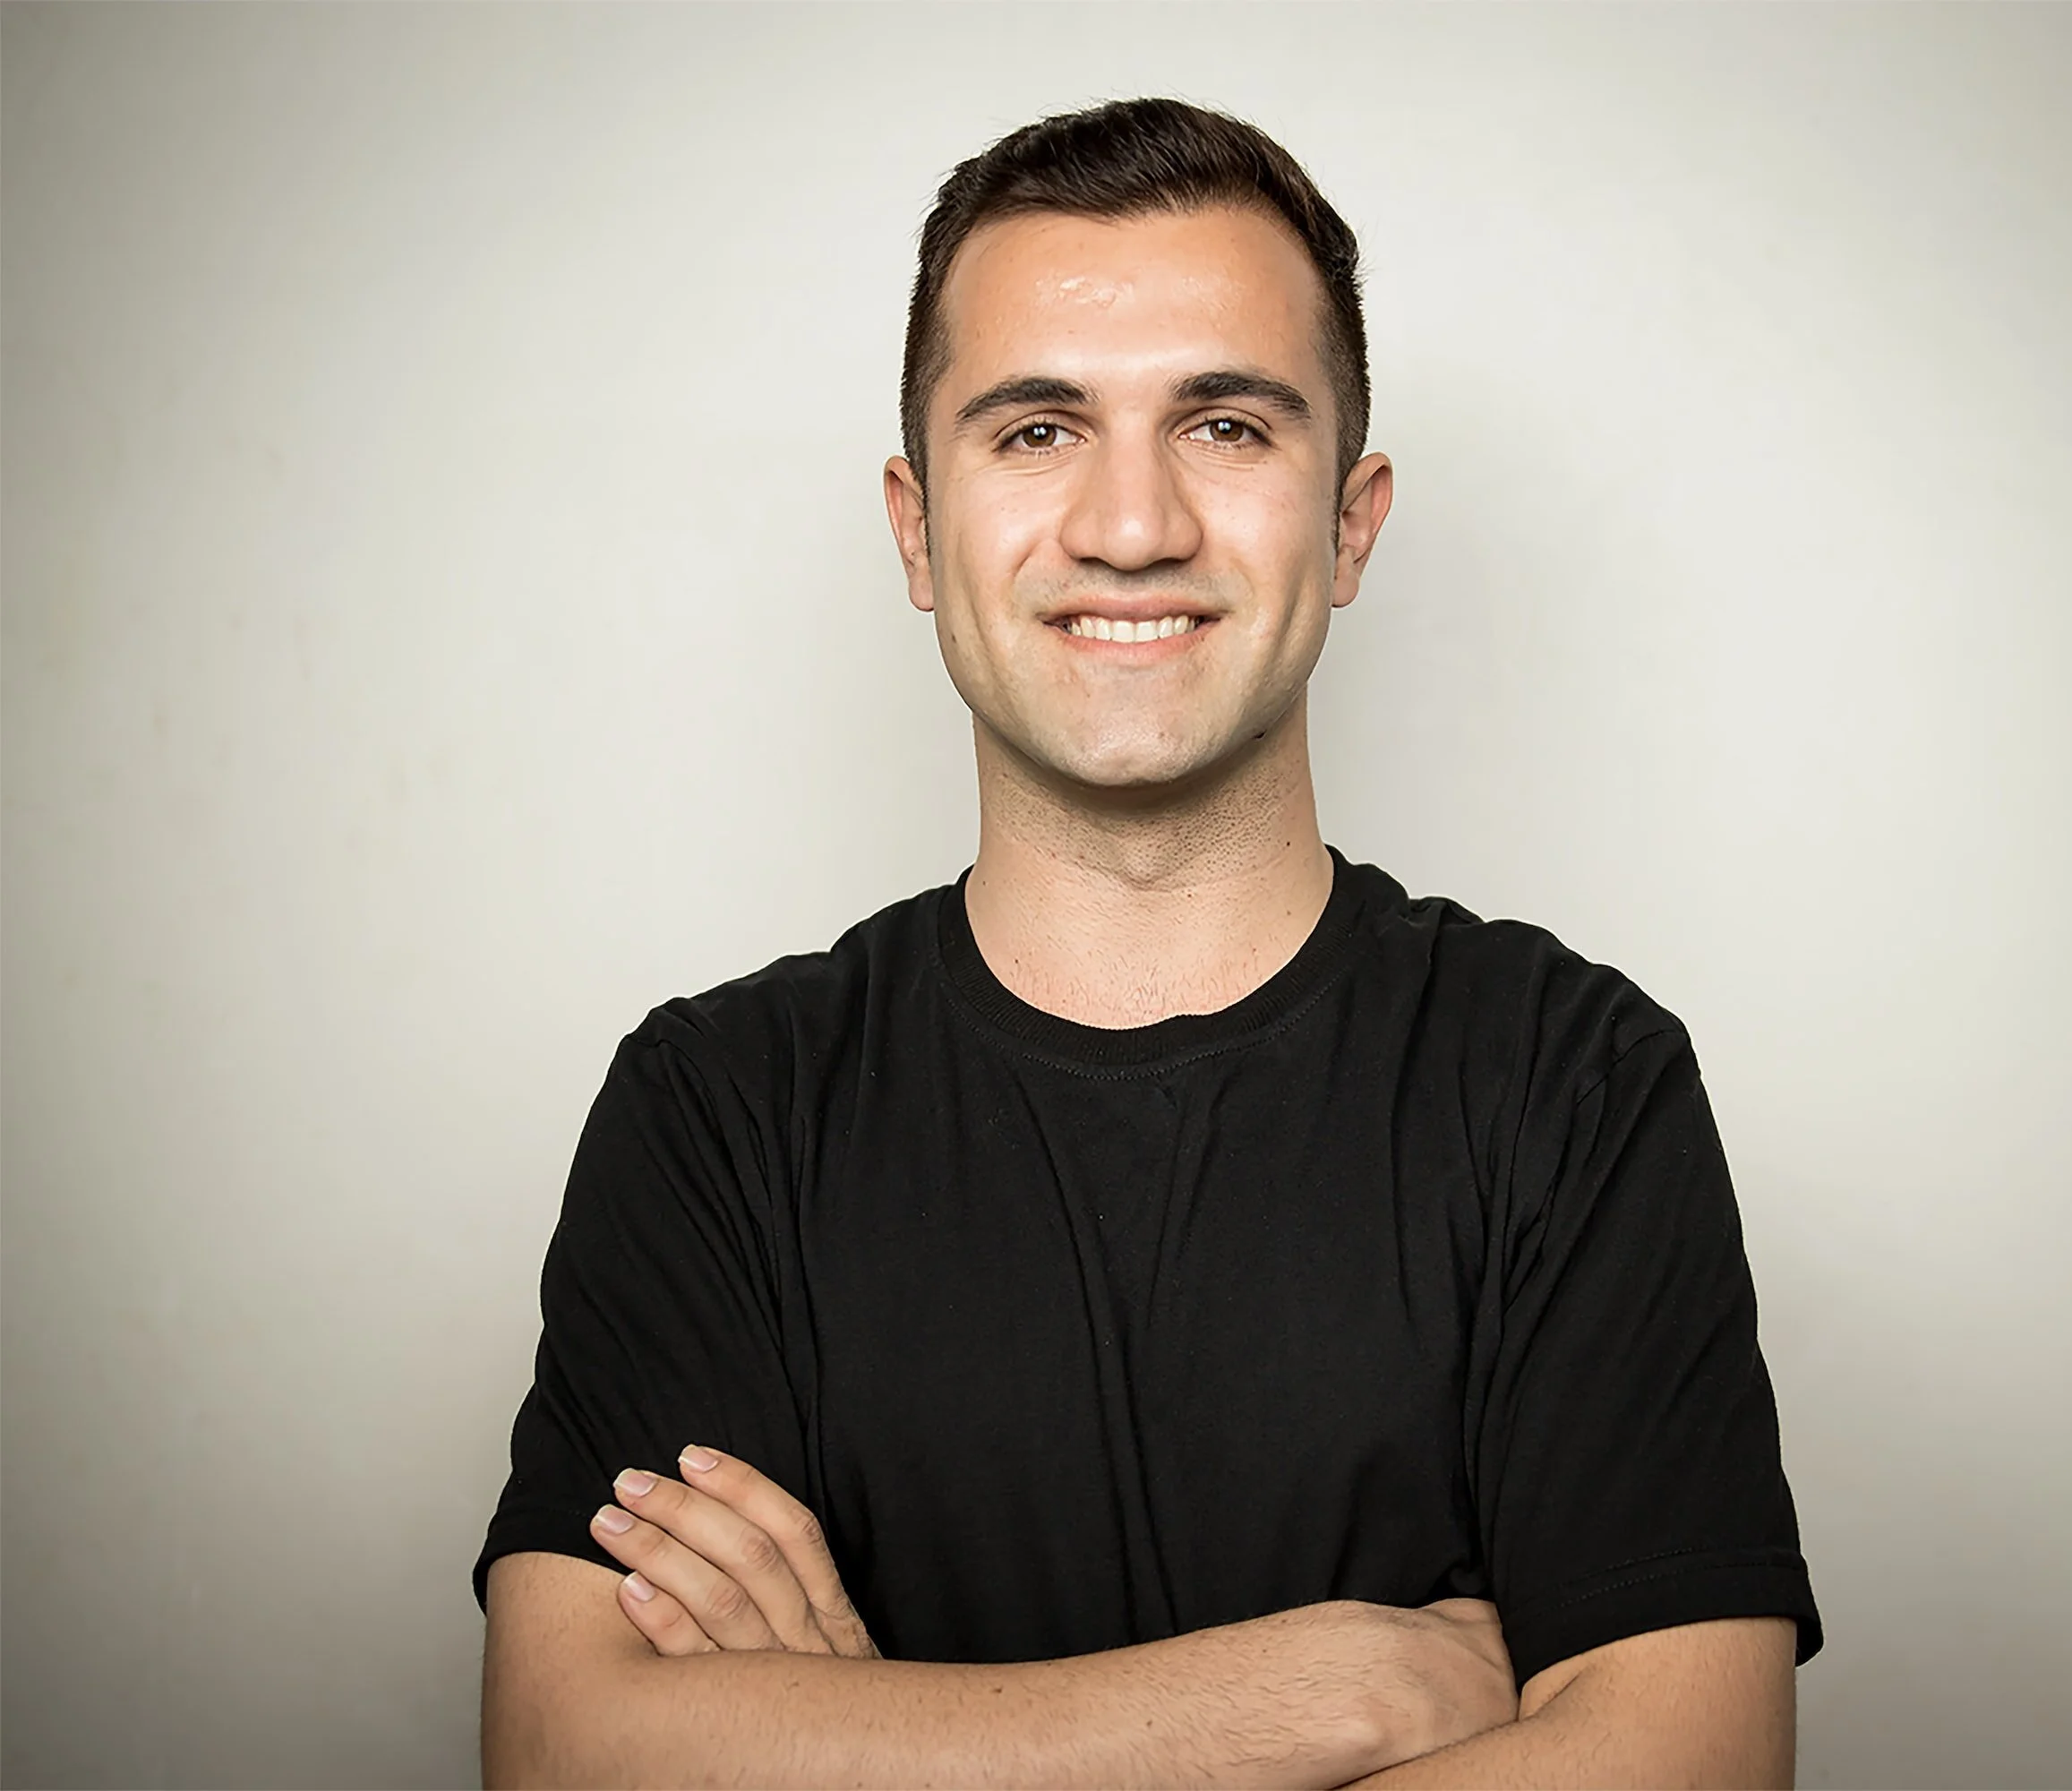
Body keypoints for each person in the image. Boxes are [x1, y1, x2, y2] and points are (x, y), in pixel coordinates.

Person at [475, 97, 1821, 1788]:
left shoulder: (1573, 1083)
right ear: (916, 527)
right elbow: (563, 1755)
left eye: (1228, 427)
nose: (1132, 526)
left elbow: (1685, 1776)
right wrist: (1330, 1694)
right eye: (1036, 430)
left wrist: (867, 1747)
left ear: (1351, 521)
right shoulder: (720, 1110)